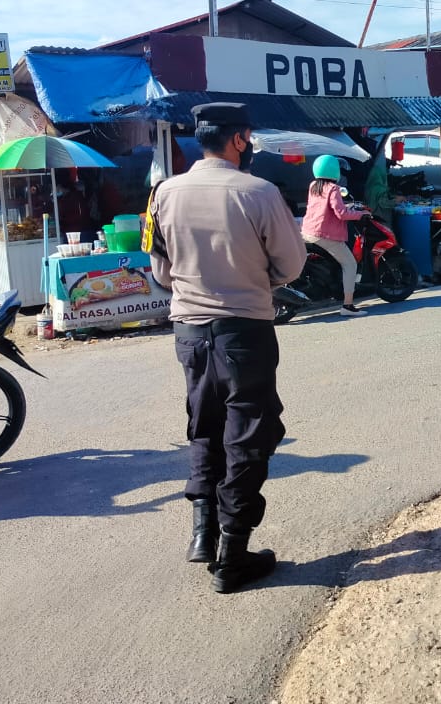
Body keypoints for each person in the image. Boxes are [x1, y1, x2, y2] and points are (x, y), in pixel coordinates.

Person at [146, 103, 307, 593]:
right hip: (244, 331)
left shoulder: (163, 193)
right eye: (248, 138)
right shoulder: (259, 192)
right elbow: (291, 265)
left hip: (189, 333)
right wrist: (256, 279)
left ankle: (203, 532)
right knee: (249, 436)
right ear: (238, 140)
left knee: (204, 426)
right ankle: (232, 555)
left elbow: (160, 271)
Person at [301, 155, 368, 315]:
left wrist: (346, 207)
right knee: (350, 264)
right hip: (325, 235)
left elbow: (325, 206)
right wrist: (360, 214)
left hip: (308, 231)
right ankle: (348, 305)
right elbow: (341, 214)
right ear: (334, 170)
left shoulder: (313, 186)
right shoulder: (333, 188)